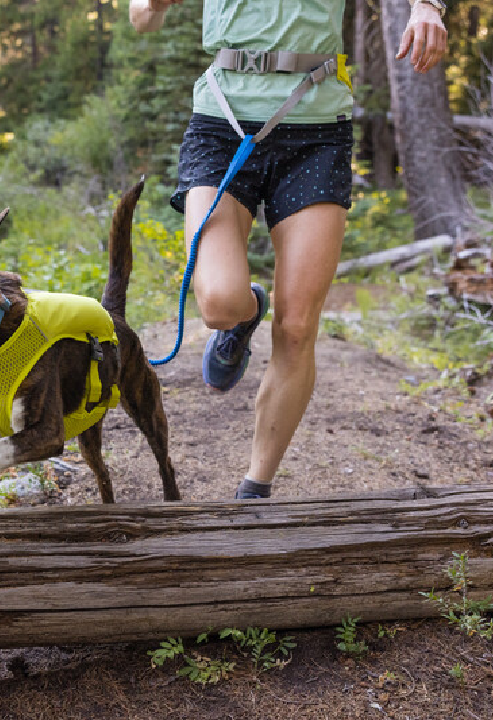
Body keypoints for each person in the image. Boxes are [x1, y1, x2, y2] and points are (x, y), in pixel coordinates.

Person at [130, 0, 448, 499]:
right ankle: (245, 314)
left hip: (317, 133)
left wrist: (428, 7)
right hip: (222, 121)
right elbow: (141, 18)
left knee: (298, 327)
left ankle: (255, 489)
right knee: (217, 301)